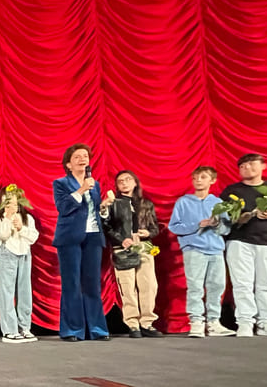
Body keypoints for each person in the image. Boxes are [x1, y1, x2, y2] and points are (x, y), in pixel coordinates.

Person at [220, 153, 267, 338]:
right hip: (239, 241)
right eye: (242, 166)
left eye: (251, 164)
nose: (247, 168)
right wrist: (239, 218)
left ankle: (266, 322)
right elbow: (224, 218)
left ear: (263, 166)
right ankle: (245, 322)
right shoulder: (232, 191)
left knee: (265, 284)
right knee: (242, 284)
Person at [52, 144, 109, 341]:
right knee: (72, 284)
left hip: (93, 236)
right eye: (77, 157)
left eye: (85, 156)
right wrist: (82, 189)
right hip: (69, 238)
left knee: (92, 284)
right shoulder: (60, 183)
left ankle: (97, 329)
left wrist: (105, 208)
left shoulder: (96, 183)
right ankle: (72, 330)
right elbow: (64, 207)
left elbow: (94, 210)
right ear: (69, 164)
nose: (83, 159)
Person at [168, 166, 234, 338]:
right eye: (195, 177)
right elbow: (174, 226)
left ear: (212, 181)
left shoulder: (218, 203)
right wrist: (198, 225)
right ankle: (196, 322)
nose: (198, 180)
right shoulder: (183, 202)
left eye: (203, 177)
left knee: (217, 286)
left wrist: (218, 224)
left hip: (216, 250)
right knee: (195, 286)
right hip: (194, 249)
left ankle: (213, 322)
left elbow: (226, 230)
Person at [100, 170, 162, 338]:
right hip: (123, 248)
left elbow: (155, 227)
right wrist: (121, 240)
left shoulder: (146, 204)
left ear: (135, 183)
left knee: (148, 286)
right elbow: (106, 226)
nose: (125, 183)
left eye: (128, 179)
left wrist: (147, 233)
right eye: (121, 181)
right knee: (127, 287)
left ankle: (147, 322)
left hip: (144, 247)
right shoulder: (114, 204)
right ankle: (133, 323)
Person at [0, 186, 39, 343]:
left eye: (13, 198)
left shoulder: (27, 218)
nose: (11, 202)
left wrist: (20, 228)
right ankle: (9, 330)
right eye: (7, 199)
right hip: (7, 253)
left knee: (25, 292)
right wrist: (7, 218)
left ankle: (24, 327)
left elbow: (33, 237)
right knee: (7, 292)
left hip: (24, 254)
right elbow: (2, 235)